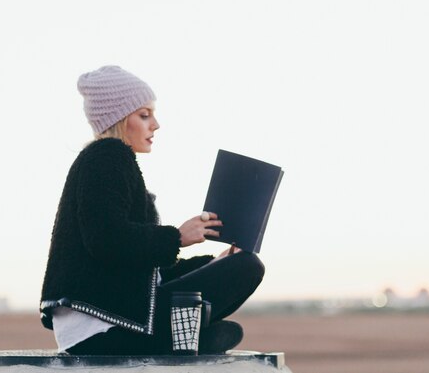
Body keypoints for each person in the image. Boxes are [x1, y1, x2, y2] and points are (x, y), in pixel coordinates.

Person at [40, 65, 265, 355]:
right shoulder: (108, 155)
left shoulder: (104, 161)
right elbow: (107, 240)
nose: (155, 124)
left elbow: (144, 272)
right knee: (247, 267)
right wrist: (178, 237)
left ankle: (183, 338)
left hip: (109, 320)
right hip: (105, 328)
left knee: (233, 272)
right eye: (144, 115)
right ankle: (180, 338)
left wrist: (211, 263)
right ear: (119, 119)